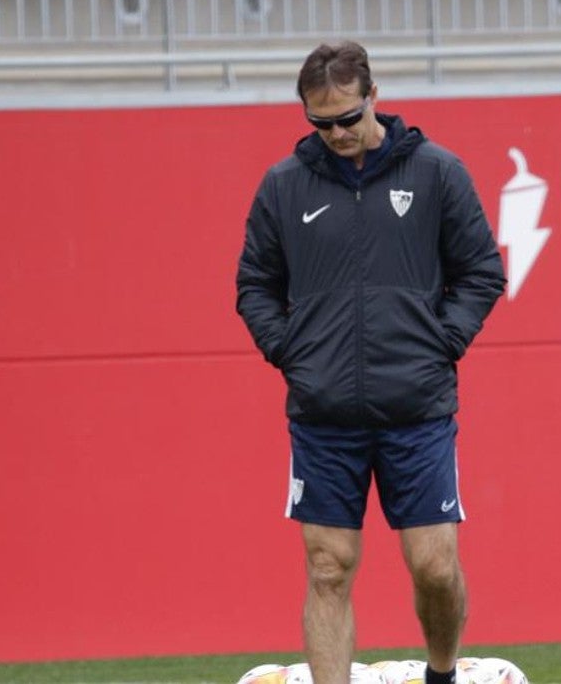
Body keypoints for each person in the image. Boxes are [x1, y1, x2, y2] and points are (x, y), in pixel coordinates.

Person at [235, 41, 506, 684]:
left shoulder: (436, 172)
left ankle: (442, 675)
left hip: (416, 408)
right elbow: (255, 285)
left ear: (373, 98)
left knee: (435, 568)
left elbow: (481, 272)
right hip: (324, 411)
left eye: (346, 119)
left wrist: (439, 345)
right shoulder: (283, 185)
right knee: (328, 565)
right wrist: (293, 354)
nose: (335, 134)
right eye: (319, 124)